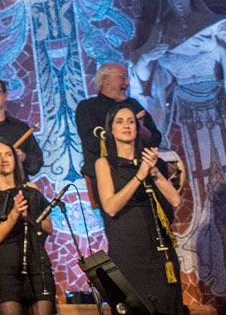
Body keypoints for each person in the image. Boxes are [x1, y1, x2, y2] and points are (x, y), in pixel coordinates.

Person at [93, 103, 182, 315]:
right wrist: (139, 176)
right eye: (120, 122)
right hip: (128, 253)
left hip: (160, 252)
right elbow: (111, 207)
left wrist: (154, 173)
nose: (126, 126)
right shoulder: (104, 163)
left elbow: (175, 200)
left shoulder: (151, 161)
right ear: (111, 129)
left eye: (131, 121)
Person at [0, 140, 56, 315]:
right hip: (5, 271)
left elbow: (49, 227)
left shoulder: (31, 189)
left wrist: (29, 215)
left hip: (37, 266)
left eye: (9, 154)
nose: (4, 159)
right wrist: (14, 214)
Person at [75, 62, 161, 177]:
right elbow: (93, 144)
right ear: (105, 80)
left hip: (140, 168)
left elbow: (155, 138)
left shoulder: (133, 104)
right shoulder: (87, 107)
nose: (127, 83)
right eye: (122, 77)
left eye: (127, 78)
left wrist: (142, 130)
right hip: (107, 173)